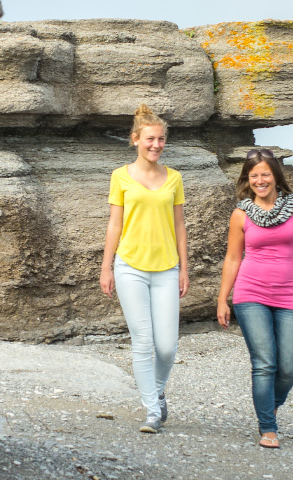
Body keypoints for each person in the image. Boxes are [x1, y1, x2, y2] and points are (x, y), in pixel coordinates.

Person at [215, 148, 293, 448]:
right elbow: (232, 259)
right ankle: (268, 427)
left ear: (276, 176)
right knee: (264, 363)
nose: (260, 180)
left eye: (265, 174)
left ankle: (269, 405)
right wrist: (222, 299)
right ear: (247, 180)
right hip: (250, 294)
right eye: (254, 176)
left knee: (289, 366)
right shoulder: (240, 214)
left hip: (290, 294)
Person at [100, 104, 189, 434]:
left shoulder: (175, 178)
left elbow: (180, 226)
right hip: (129, 267)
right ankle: (152, 412)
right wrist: (106, 267)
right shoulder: (120, 176)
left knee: (167, 346)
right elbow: (114, 224)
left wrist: (184, 268)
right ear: (135, 139)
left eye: (161, 139)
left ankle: (157, 391)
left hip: (166, 268)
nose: (156, 145)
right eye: (150, 139)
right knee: (142, 341)